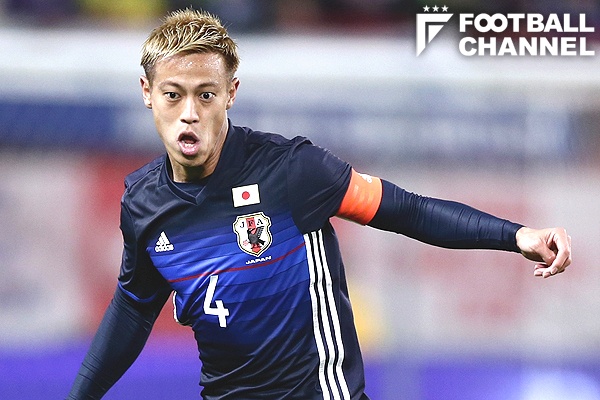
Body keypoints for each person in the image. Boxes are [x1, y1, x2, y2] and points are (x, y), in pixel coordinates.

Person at [67, 8, 572, 400]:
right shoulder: (144, 203)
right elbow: (133, 309)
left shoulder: (292, 170)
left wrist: (515, 235)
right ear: (147, 93)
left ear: (231, 94)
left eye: (206, 95)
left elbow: (408, 210)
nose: (190, 113)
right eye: (173, 95)